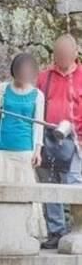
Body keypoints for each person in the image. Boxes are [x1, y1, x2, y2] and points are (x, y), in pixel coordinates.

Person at [0, 53, 46, 239]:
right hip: (1, 146)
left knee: (25, 189)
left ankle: (24, 230)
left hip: (24, 148)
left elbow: (38, 123)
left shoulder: (37, 95)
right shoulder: (3, 88)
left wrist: (37, 150)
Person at [37, 34, 82, 249]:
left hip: (76, 141)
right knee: (50, 184)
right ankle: (56, 231)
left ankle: (78, 230)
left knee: (75, 185)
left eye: (65, 53)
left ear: (75, 53)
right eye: (58, 53)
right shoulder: (45, 77)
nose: (61, 57)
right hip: (48, 137)